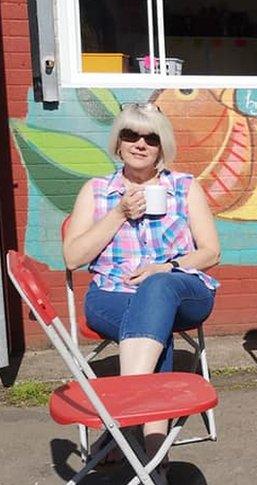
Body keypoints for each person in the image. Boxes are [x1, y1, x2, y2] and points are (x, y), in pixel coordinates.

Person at [62, 102, 220, 461]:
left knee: (158, 288)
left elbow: (210, 252)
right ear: (118, 142)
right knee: (154, 328)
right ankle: (153, 454)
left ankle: (121, 422)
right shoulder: (97, 191)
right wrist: (118, 213)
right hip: (111, 294)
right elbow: (73, 258)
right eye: (130, 135)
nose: (140, 144)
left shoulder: (184, 187)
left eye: (151, 138)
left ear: (162, 146)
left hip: (183, 290)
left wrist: (165, 267)